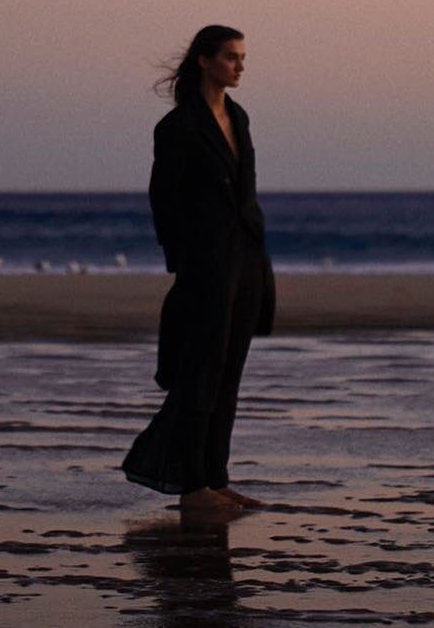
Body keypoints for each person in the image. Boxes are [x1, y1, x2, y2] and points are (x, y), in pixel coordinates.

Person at [121, 25, 276, 512]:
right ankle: (193, 488)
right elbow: (163, 201)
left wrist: (256, 253)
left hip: (247, 256)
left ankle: (216, 478)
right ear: (204, 61)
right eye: (231, 57)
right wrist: (184, 262)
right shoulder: (177, 126)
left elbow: (244, 191)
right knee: (201, 374)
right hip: (206, 262)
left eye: (243, 57)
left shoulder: (240, 116)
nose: (240, 66)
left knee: (230, 373)